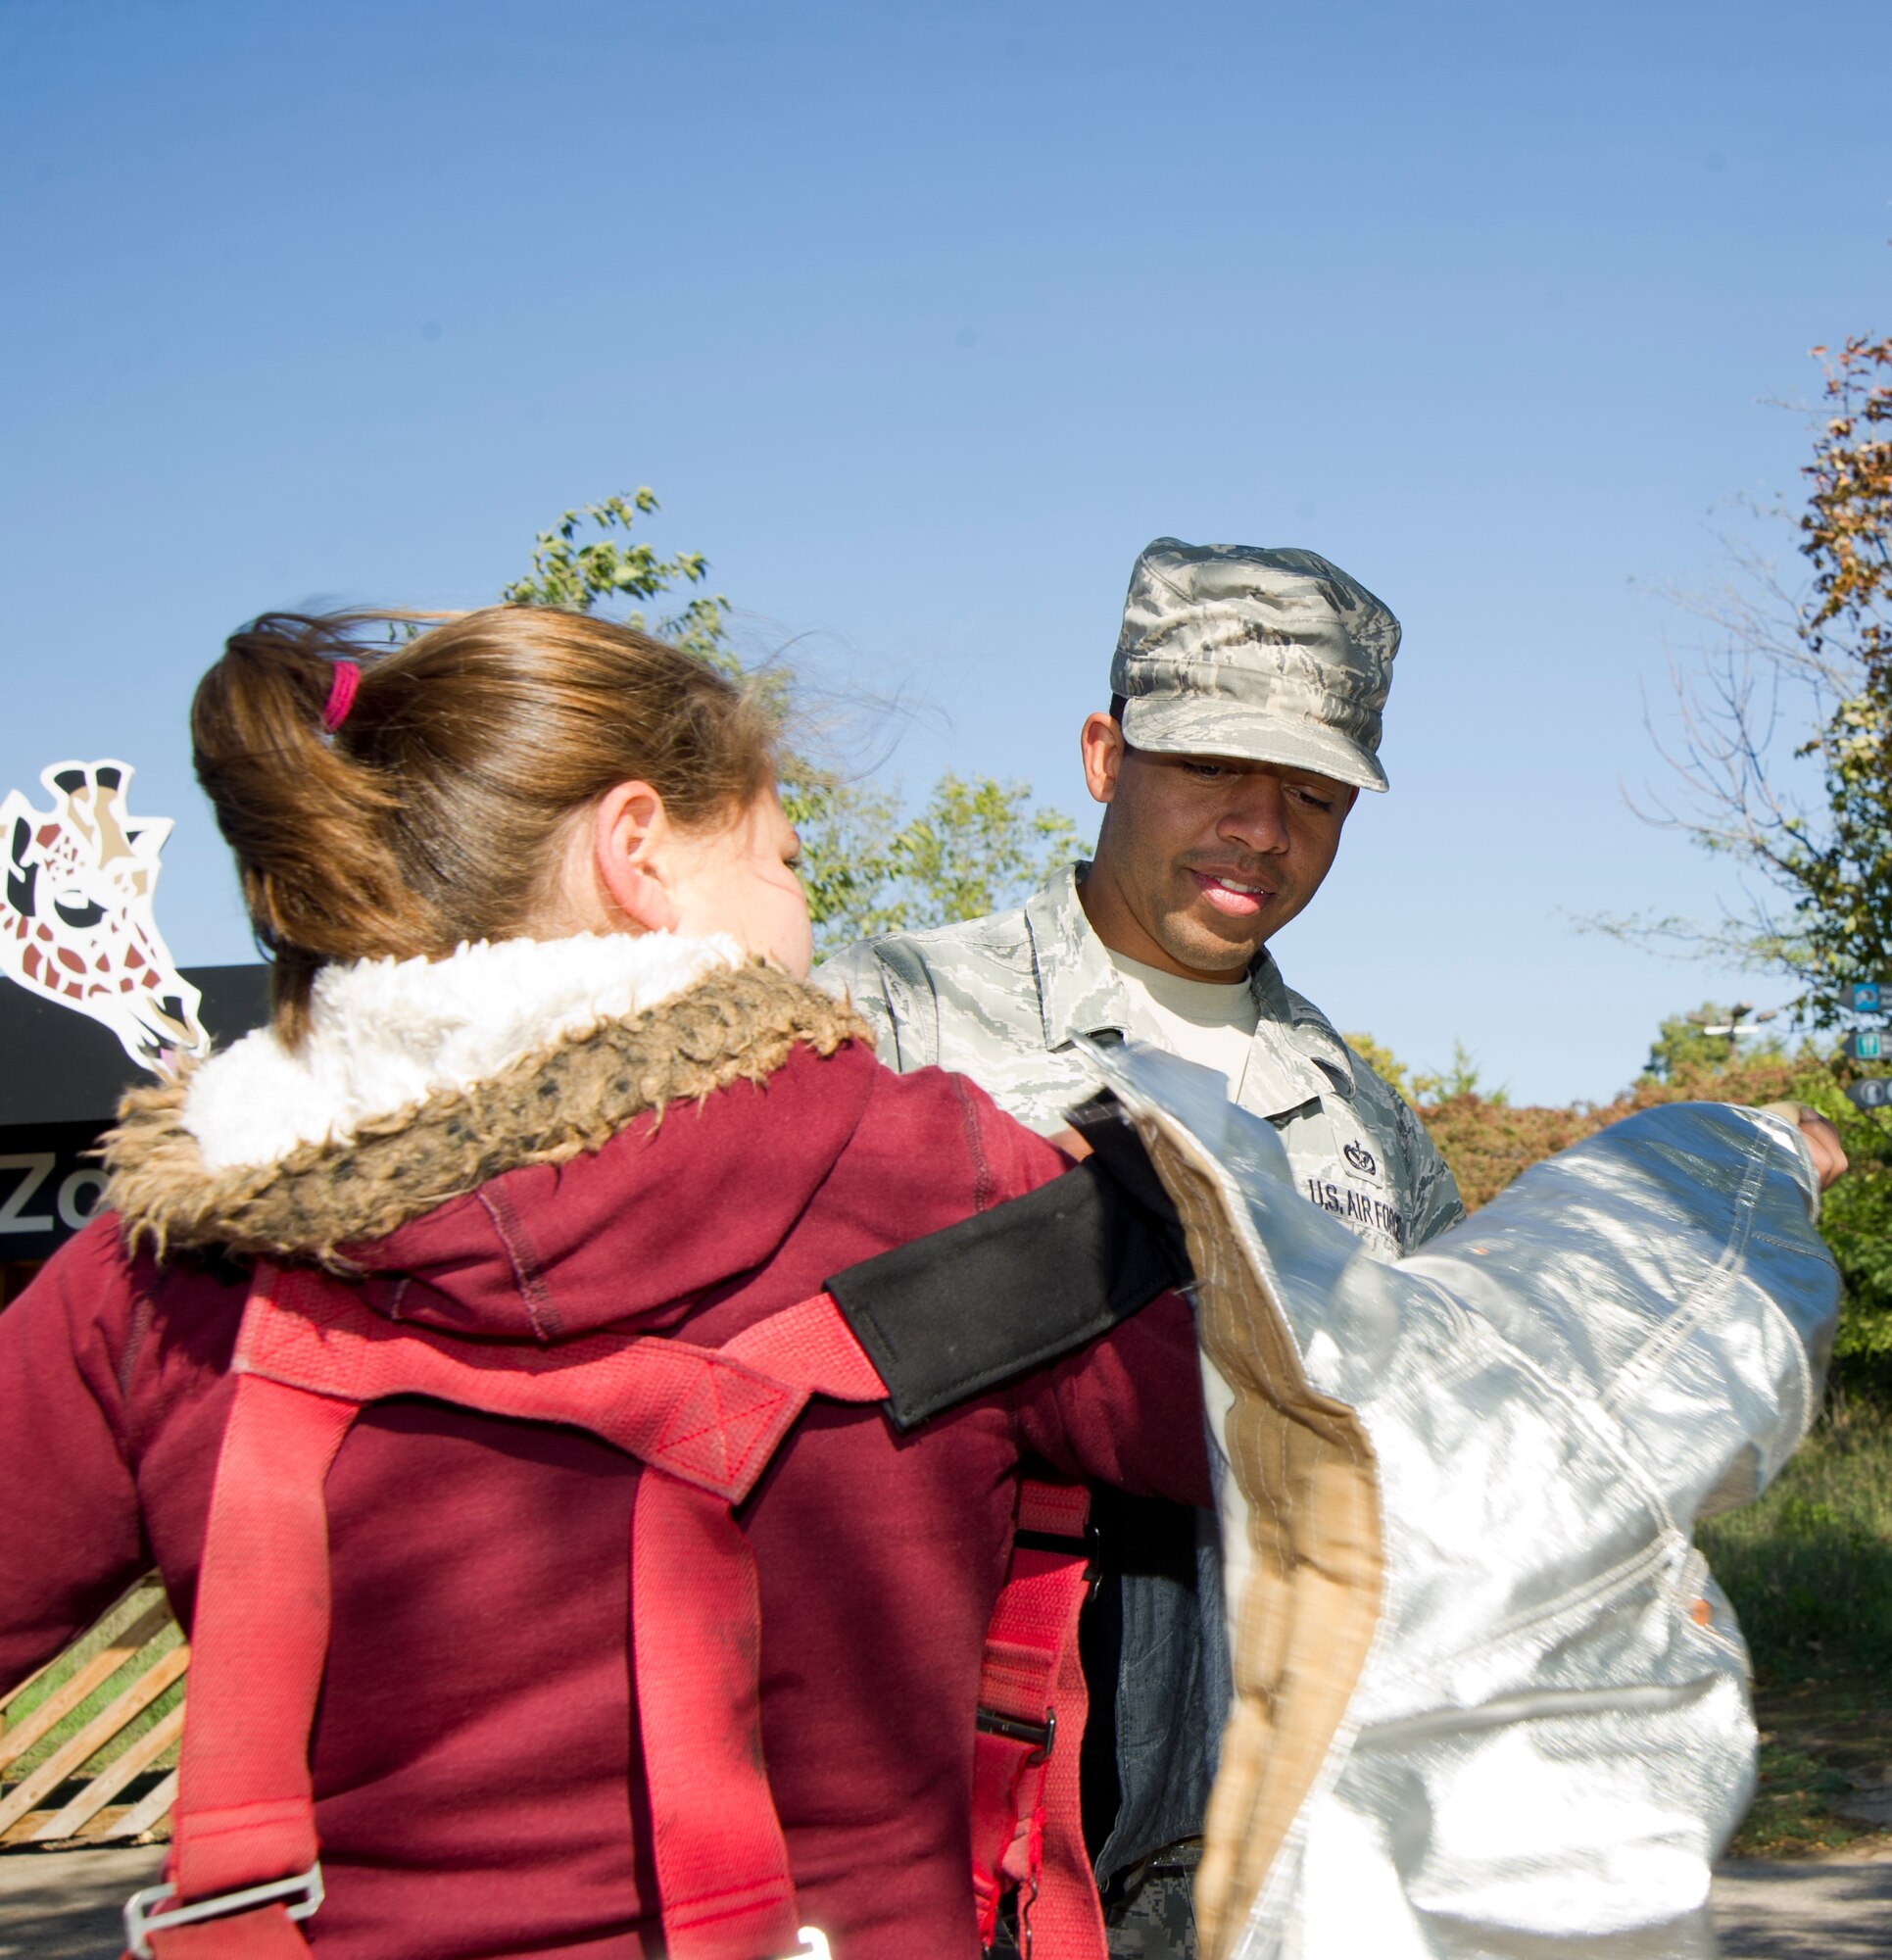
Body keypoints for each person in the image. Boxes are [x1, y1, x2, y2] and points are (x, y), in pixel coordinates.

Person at [0, 606, 1212, 1960]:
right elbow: (1339, 1472)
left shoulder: (166, 1257)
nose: (809, 914)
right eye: (787, 859)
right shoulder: (952, 1185)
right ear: (638, 851)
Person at [818, 539, 1468, 1952]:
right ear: (1105, 754)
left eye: (1313, 794)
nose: (1264, 828)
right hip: (959, 1810)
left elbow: (1449, 1452)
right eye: (1213, 770)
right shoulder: (892, 1018)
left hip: (1278, 1838)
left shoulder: (1363, 1121)